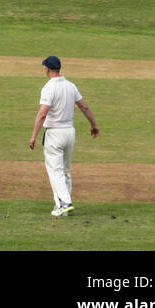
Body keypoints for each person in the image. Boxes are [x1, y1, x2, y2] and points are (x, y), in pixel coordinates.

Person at [28, 56, 99, 217]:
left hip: (54, 133)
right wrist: (93, 124)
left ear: (47, 69)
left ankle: (65, 203)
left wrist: (33, 136)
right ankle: (62, 206)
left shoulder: (49, 88)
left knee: (56, 171)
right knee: (65, 170)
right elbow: (84, 107)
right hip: (69, 133)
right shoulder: (70, 86)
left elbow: (42, 114)